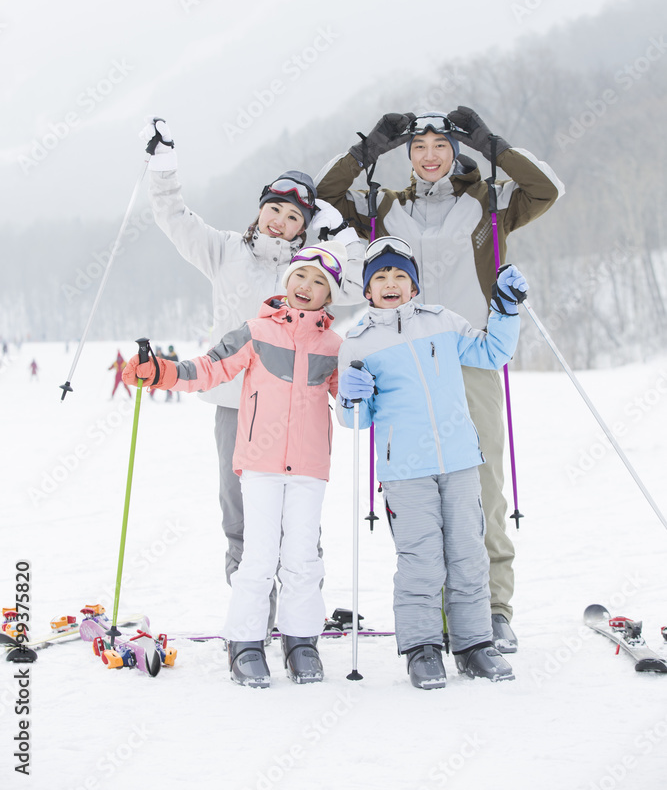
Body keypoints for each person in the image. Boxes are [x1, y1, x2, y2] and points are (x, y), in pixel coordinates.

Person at [318, 108, 564, 652]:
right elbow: (324, 195)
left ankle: (492, 609)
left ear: (456, 153)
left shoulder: (488, 202)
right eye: (418, 147)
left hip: (469, 353)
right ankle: (435, 613)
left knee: (482, 488)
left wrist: (492, 145)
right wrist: (366, 152)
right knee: (421, 493)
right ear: (406, 157)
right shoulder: (384, 208)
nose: (430, 155)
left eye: (442, 146)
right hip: (405, 360)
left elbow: (544, 189)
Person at [141, 119, 363, 633]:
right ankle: (253, 620)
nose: (280, 222)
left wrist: (339, 231)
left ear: (305, 228)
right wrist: (163, 166)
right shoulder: (223, 250)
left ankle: (301, 618)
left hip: (298, 411)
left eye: (293, 217)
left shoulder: (314, 271)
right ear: (259, 209)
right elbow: (173, 215)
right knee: (239, 516)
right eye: (274, 210)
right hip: (234, 406)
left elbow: (363, 279)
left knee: (298, 520)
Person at [124, 242, 347, 687]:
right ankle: (245, 642)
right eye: (301, 276)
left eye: (321, 282)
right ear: (287, 282)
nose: (308, 286)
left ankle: (301, 640)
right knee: (259, 556)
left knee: (303, 558)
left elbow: (353, 403)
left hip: (309, 468)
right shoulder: (255, 332)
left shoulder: (335, 345)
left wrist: (370, 389)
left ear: (330, 296)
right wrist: (162, 372)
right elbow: (209, 368)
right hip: (261, 464)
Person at [337, 237, 528, 688]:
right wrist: (350, 395)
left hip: (460, 459)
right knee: (421, 560)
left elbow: (492, 353)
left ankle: (474, 644)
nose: (391, 283)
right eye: (380, 277)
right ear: (367, 290)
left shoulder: (443, 322)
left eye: (400, 275)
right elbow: (354, 419)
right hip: (404, 470)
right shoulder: (358, 342)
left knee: (467, 554)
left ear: (414, 286)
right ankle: (422, 647)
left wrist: (505, 310)